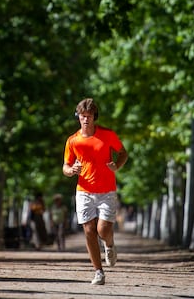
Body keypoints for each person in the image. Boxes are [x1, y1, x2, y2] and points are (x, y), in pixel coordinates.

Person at [62, 98, 128, 285]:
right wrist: (71, 171)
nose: (86, 120)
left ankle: (109, 244)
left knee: (103, 229)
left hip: (107, 190)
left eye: (89, 116)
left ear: (94, 117)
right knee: (89, 230)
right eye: (82, 116)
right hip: (84, 190)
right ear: (78, 117)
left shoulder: (107, 135)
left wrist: (117, 165)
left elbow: (123, 153)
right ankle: (98, 272)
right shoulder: (73, 141)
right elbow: (65, 167)